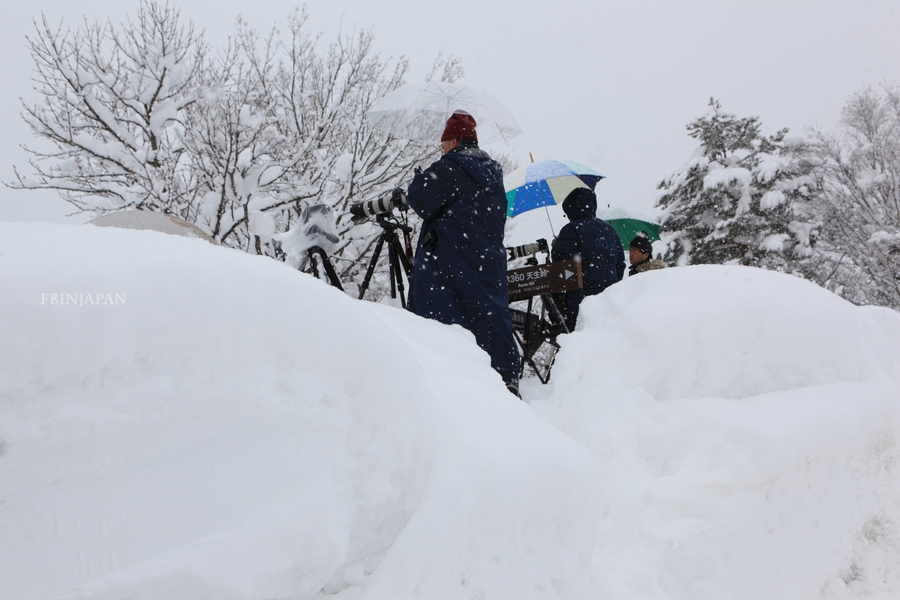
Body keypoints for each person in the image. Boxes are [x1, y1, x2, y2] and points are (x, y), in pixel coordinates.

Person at [406, 111, 521, 397]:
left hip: (450, 261)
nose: (442, 148)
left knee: (445, 317)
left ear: (454, 140)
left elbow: (419, 199)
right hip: (487, 262)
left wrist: (422, 177)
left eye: (444, 143)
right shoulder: (494, 175)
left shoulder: (448, 168)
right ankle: (505, 375)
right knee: (487, 314)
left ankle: (450, 380)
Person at [550, 187, 625, 331]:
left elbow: (561, 265)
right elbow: (620, 265)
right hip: (609, 298)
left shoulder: (571, 229)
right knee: (606, 336)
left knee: (580, 339)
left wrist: (555, 246)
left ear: (570, 209)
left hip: (581, 299)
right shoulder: (610, 230)